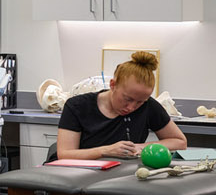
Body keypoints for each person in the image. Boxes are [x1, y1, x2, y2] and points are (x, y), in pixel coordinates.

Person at [56, 50, 186, 161]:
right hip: (77, 175)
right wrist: (106, 151)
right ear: (113, 85)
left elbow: (179, 142)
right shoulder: (77, 106)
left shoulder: (149, 106)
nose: (131, 108)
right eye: (127, 99)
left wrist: (140, 147)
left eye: (140, 102)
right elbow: (64, 154)